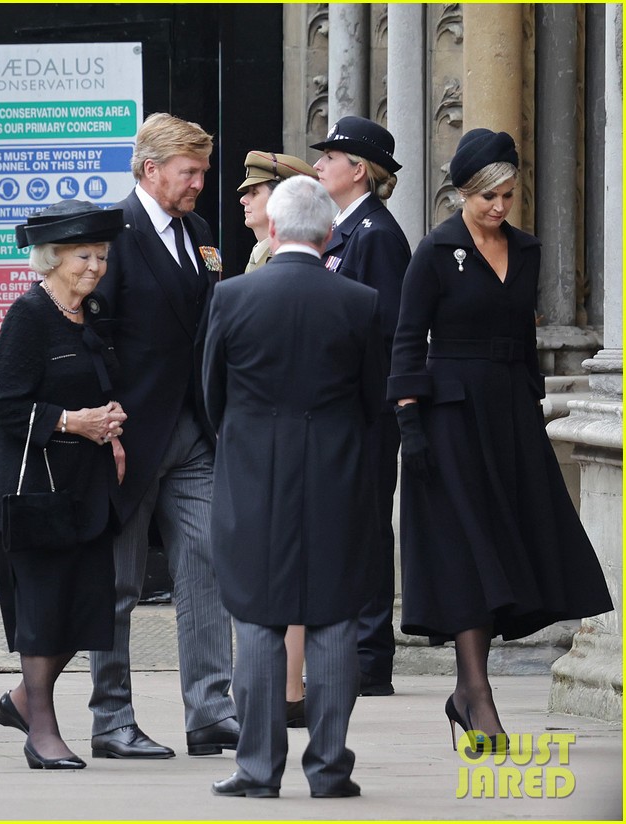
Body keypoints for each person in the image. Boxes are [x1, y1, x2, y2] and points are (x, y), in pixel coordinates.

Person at [388, 129, 613, 752]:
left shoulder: (528, 248)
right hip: (450, 417)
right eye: (488, 196)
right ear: (463, 192)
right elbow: (408, 341)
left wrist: (534, 408)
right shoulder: (435, 251)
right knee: (469, 550)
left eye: (508, 194)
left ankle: (467, 693)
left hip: (511, 415)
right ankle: (475, 693)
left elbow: (523, 338)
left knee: (506, 550)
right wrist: (410, 425)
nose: (499, 206)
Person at [205, 175, 384, 800]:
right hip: (336, 472)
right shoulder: (360, 302)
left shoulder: (231, 296)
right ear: (331, 233)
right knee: (333, 620)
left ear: (273, 230)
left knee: (256, 617)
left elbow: (212, 396)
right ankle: (331, 768)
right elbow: (373, 399)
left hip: (253, 474)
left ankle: (257, 770)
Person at [88, 112, 238, 759]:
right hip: (128, 435)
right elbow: (91, 335)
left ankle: (210, 711)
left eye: (202, 171)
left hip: (193, 434)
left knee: (205, 567)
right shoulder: (112, 234)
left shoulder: (198, 232)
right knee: (117, 584)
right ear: (151, 170)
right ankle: (112, 718)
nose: (200, 183)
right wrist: (102, 419)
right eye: (190, 172)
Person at [0, 200, 128, 770]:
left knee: (86, 608)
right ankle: (41, 727)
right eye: (84, 256)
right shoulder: (28, 315)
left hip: (85, 489)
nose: (95, 267)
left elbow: (100, 383)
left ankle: (19, 701)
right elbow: (2, 404)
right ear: (51, 258)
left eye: (103, 256)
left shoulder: (93, 314)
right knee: (41, 611)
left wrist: (110, 422)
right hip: (34, 490)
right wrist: (70, 421)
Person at [312, 115, 411, 697]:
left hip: (366, 411)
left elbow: (389, 330)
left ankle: (371, 655)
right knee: (348, 527)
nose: (319, 164)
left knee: (368, 528)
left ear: (359, 171)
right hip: (344, 408)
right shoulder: (347, 229)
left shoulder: (375, 234)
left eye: (331, 157)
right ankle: (352, 647)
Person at [235, 149, 318, 728]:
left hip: (279, 437)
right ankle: (284, 688)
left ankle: (287, 688)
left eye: (256, 190)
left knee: (282, 564)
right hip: (272, 436)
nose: (244, 197)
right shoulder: (258, 256)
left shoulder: (281, 263)